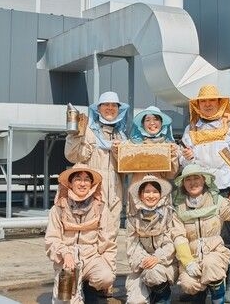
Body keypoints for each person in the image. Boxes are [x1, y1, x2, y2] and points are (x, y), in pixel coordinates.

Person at [179, 85, 230, 302]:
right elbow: (183, 162)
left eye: (212, 101)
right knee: (198, 236)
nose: (207, 105)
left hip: (225, 188)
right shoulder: (192, 129)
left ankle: (229, 284)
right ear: (197, 105)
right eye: (203, 102)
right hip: (200, 190)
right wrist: (187, 156)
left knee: (226, 237)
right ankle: (202, 284)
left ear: (220, 103)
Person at [171, 164, 230, 304]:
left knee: (211, 264)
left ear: (204, 180)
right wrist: (188, 262)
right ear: (183, 184)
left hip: (215, 252)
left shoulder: (216, 201)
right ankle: (199, 295)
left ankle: (217, 297)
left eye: (196, 178)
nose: (193, 182)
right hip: (192, 256)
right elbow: (179, 237)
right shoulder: (179, 208)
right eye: (188, 179)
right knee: (188, 284)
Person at [45, 164, 116, 303]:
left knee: (106, 276)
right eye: (78, 179)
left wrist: (109, 269)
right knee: (64, 300)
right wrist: (65, 253)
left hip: (91, 258)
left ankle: (90, 289)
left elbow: (108, 243)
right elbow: (51, 240)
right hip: (68, 261)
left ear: (92, 184)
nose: (83, 183)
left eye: (87, 179)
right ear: (70, 183)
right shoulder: (58, 208)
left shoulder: (101, 208)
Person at [65, 91, 129, 237]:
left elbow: (126, 169)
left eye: (114, 105)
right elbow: (72, 156)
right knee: (88, 236)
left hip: (114, 197)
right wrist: (73, 135)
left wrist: (119, 153)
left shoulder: (122, 134)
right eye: (106, 104)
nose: (110, 108)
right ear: (98, 108)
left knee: (110, 238)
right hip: (90, 194)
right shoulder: (87, 130)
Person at [124, 175, 177, 304]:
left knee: (154, 272)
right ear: (141, 195)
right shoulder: (133, 217)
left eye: (155, 192)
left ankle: (163, 296)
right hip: (142, 264)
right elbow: (132, 245)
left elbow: (171, 243)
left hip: (164, 263)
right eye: (147, 192)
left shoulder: (169, 214)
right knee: (135, 301)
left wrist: (157, 258)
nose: (151, 195)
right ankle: (151, 292)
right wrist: (144, 260)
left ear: (160, 194)